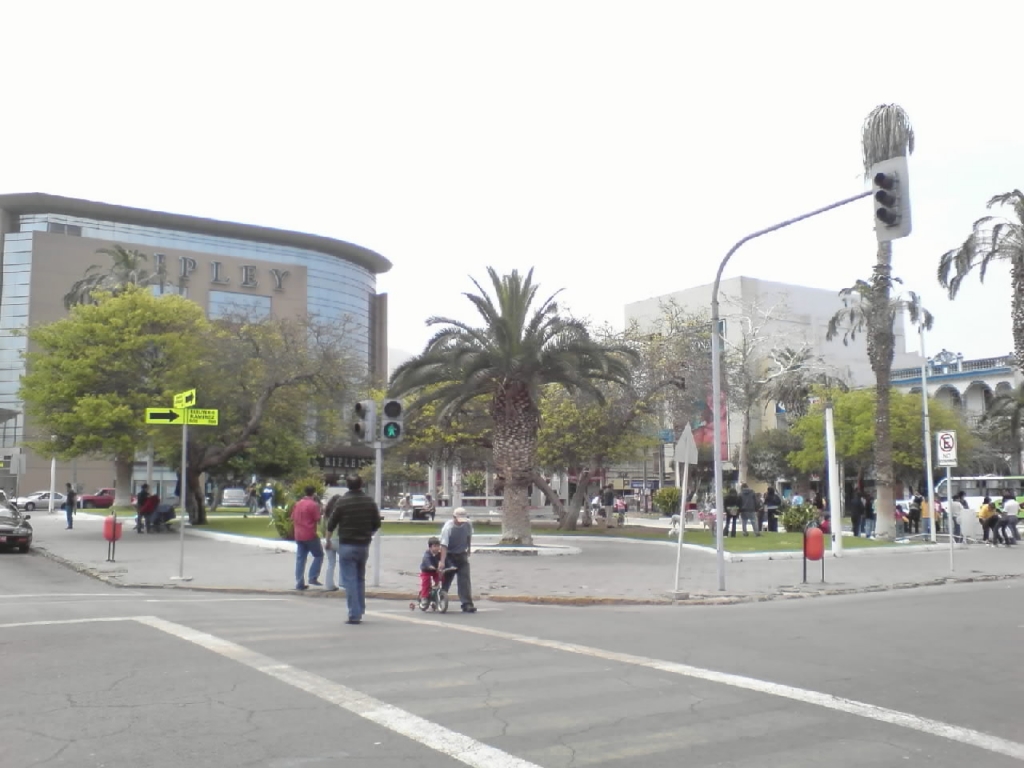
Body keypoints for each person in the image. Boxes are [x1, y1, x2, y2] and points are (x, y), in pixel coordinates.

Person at [326, 475, 381, 624]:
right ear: (361, 484)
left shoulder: (342, 501)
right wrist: (368, 533)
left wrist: (328, 540)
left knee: (350, 579)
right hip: (363, 545)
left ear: (347, 485)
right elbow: (377, 523)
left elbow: (331, 523)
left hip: (347, 544)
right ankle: (360, 608)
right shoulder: (369, 501)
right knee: (360, 578)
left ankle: (354, 613)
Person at [438, 507, 476, 613]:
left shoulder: (468, 524)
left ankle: (467, 604)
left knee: (464, 580)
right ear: (454, 517)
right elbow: (444, 545)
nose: (461, 523)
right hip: (449, 555)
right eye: (459, 520)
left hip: (461, 555)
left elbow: (469, 536)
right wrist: (442, 561)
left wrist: (469, 548)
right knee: (446, 580)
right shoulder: (448, 527)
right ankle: (439, 599)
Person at [290, 486, 323, 590]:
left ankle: (299, 582)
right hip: (309, 533)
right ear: (314, 493)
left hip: (298, 534)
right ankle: (313, 576)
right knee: (319, 555)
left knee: (300, 559)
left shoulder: (297, 504)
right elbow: (318, 519)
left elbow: (292, 517)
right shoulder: (313, 505)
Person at [322, 497, 341, 592]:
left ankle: (329, 584)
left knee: (331, 563)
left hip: (328, 540)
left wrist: (326, 539)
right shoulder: (339, 514)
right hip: (338, 539)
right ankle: (343, 582)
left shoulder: (326, 515)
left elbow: (323, 528)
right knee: (344, 562)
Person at [418, 537, 443, 609]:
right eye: (435, 546)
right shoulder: (427, 554)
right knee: (426, 582)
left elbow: (445, 560)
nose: (437, 548)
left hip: (435, 570)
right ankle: (424, 597)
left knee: (441, 578)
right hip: (426, 571)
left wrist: (450, 566)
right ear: (430, 547)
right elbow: (426, 561)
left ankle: (438, 593)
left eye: (438, 546)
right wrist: (430, 566)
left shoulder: (439, 554)